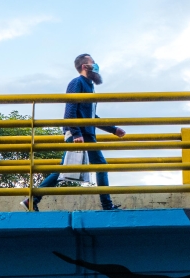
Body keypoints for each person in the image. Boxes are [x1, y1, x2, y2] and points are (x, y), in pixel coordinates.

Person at [23, 54, 125, 211]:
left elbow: (92, 116)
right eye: (93, 63)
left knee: (67, 169)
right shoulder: (77, 83)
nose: (96, 65)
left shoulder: (90, 87)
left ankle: (33, 199)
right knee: (87, 167)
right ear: (85, 66)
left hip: (86, 135)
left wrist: (113, 129)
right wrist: (76, 134)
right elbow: (70, 109)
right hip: (79, 135)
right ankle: (107, 205)